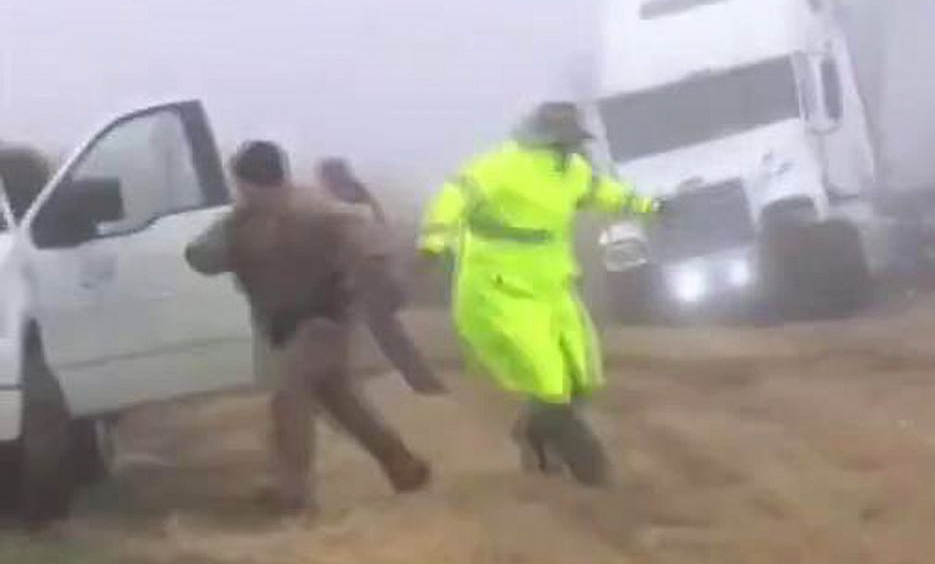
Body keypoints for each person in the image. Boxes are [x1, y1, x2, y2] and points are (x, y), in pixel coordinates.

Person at [419, 102, 662, 485]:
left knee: (580, 375)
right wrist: (433, 242)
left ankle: (534, 433)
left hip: (553, 282)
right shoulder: (500, 166)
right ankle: (591, 470)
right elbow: (455, 196)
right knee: (548, 379)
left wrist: (651, 206)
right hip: (500, 285)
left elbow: (604, 193)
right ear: (548, 138)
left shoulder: (573, 171)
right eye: (567, 141)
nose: (574, 148)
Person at [186, 141, 432, 514]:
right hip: (283, 326)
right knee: (340, 401)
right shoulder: (242, 222)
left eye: (243, 185)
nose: (241, 193)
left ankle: (293, 491)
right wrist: (233, 225)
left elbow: (372, 241)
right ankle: (403, 465)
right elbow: (199, 257)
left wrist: (378, 277)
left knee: (290, 395)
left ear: (252, 183)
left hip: (323, 321)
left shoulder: (313, 210)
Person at [313, 156, 446, 395]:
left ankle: (423, 383)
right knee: (376, 334)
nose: (321, 183)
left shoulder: (346, 202)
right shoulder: (360, 197)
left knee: (379, 334)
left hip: (366, 275)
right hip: (374, 273)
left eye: (322, 178)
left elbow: (351, 243)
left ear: (329, 178)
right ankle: (423, 382)